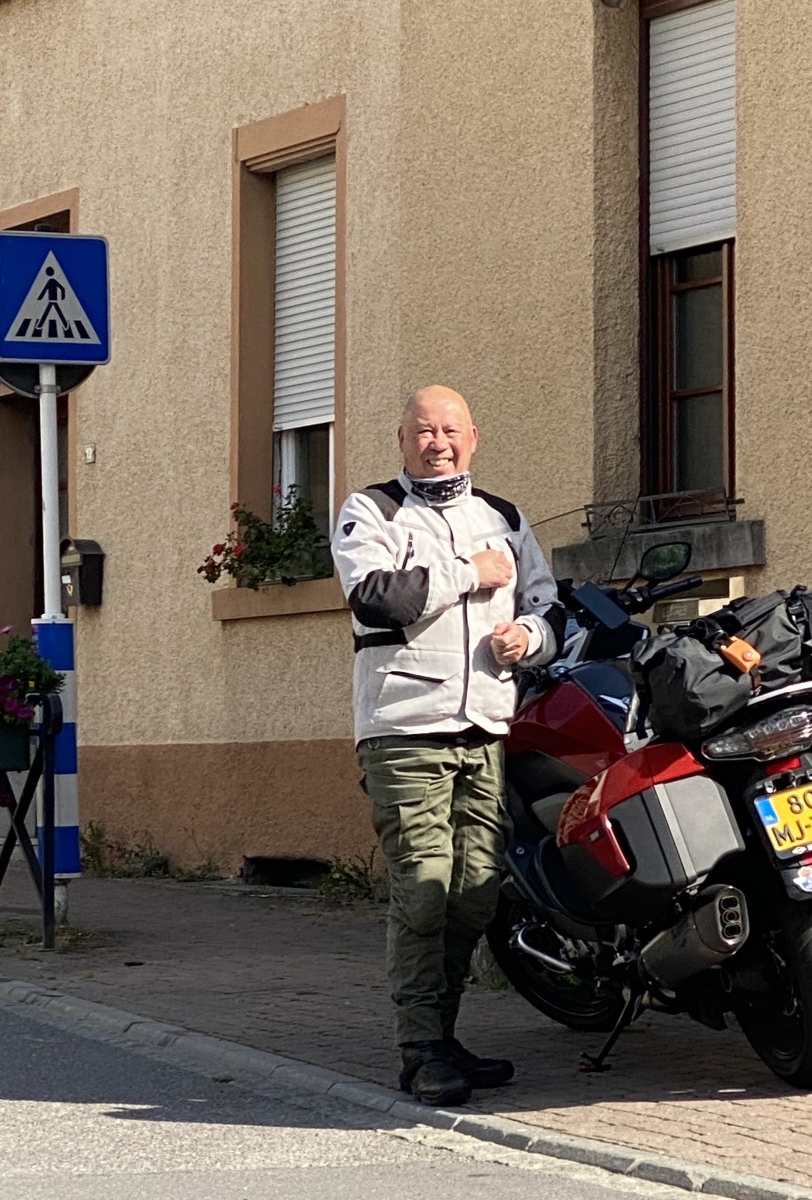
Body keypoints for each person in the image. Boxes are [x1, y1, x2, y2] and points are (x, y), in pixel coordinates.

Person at [332, 385, 563, 1107]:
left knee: (474, 893)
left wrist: (530, 636)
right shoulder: (371, 510)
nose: (439, 443)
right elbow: (377, 599)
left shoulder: (504, 517)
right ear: (402, 439)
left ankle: (445, 1035)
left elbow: (548, 604)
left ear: (474, 437)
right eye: (425, 431)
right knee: (426, 884)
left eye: (451, 430)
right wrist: (471, 574)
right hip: (404, 728)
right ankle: (420, 1048)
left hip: (485, 726)